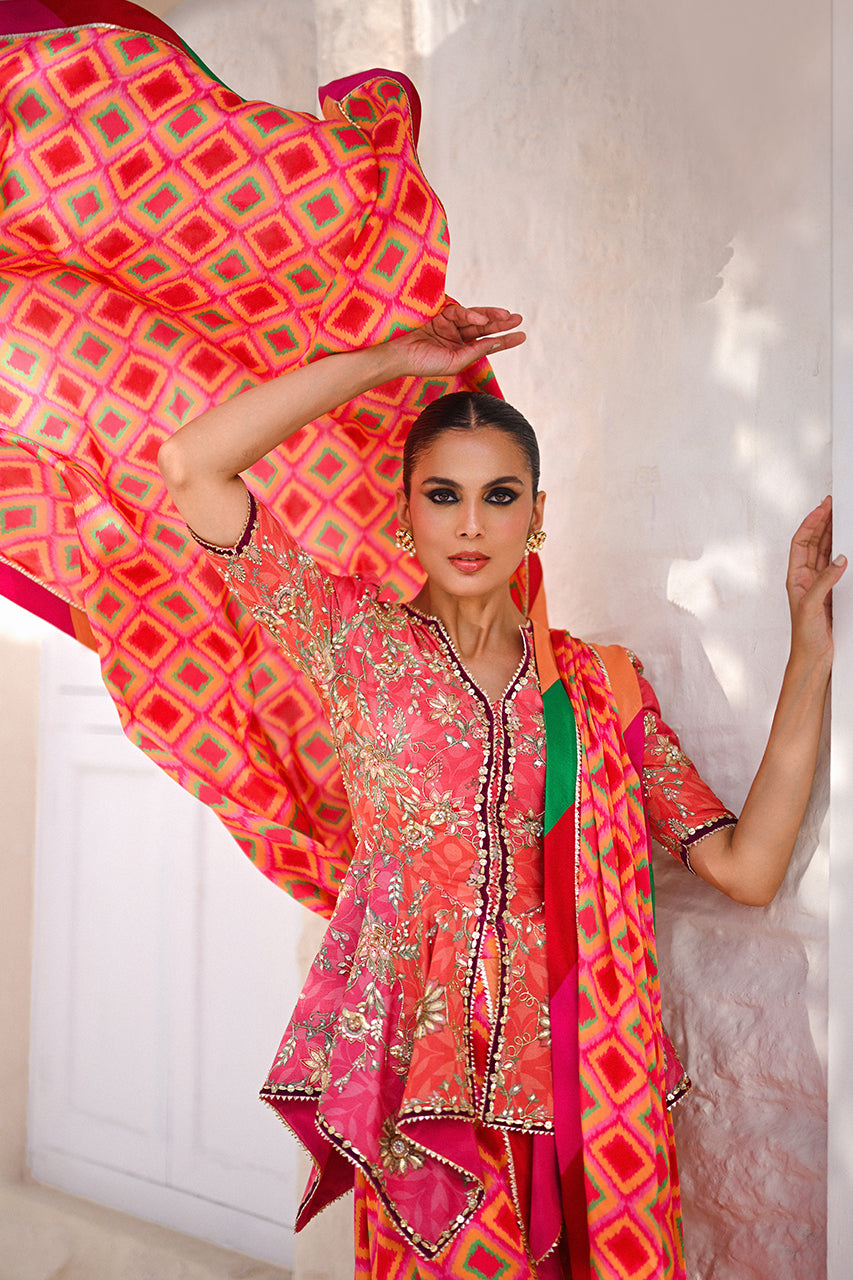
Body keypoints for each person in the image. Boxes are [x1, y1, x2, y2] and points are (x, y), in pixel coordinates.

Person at [158, 303, 844, 1280]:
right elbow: (193, 465)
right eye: (443, 495)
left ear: (536, 511)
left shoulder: (599, 686)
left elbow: (746, 866)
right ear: (404, 512)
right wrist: (390, 360)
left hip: (582, 1078)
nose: (471, 523)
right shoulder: (357, 644)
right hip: (425, 1095)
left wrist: (808, 655)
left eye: (499, 495)